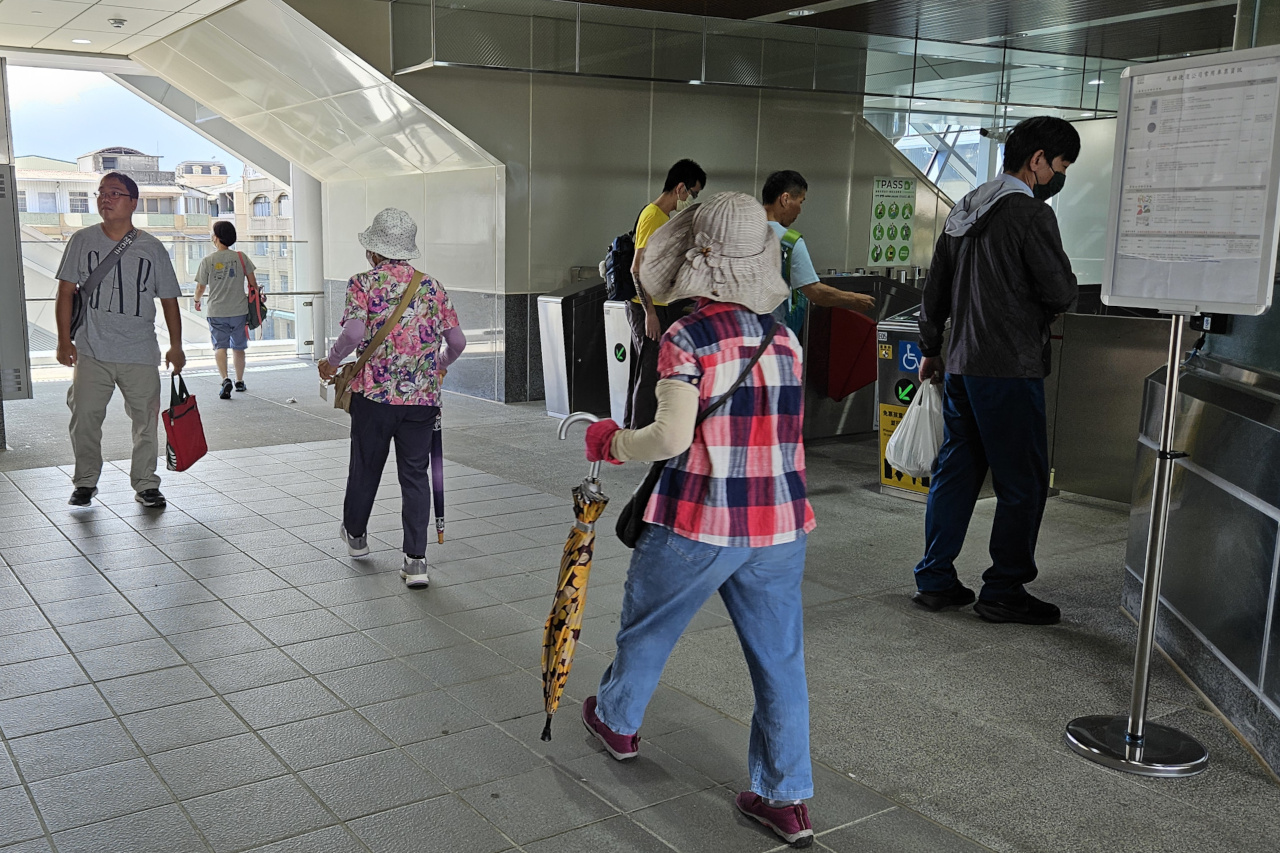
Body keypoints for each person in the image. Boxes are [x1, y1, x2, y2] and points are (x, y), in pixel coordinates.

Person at [581, 192, 819, 848]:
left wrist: (611, 442)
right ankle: (786, 797)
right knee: (779, 662)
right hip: (778, 525)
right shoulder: (784, 338)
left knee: (650, 627)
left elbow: (669, 437)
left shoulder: (690, 337)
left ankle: (618, 720)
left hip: (696, 520)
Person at [911, 116, 1080, 625]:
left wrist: (933, 347)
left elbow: (934, 290)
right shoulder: (1029, 215)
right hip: (1009, 369)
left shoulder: (965, 208)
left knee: (957, 471)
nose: (1059, 175)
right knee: (1023, 481)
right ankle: (1004, 588)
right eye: (1061, 165)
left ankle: (935, 579)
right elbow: (1061, 292)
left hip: (961, 366)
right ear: (1037, 162)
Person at [318, 208, 466, 590]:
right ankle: (416, 561)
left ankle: (356, 538)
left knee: (365, 466)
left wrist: (331, 361)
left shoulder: (362, 283)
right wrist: (439, 365)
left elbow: (352, 334)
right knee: (415, 475)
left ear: (373, 251)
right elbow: (457, 342)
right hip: (422, 400)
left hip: (374, 397)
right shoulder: (432, 287)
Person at [55, 172, 186, 509]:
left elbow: (169, 299)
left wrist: (176, 345)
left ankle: (146, 484)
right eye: (101, 193)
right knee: (83, 416)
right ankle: (85, 481)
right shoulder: (82, 240)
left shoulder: (152, 248)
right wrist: (63, 341)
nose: (105, 198)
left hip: (139, 351)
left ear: (133, 202)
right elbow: (65, 292)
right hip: (91, 350)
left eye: (114, 193)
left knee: (145, 421)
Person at [625, 158, 706, 429]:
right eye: (692, 193)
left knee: (644, 372)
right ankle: (641, 434)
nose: (692, 198)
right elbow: (637, 268)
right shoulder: (652, 216)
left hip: (656, 304)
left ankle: (632, 428)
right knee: (649, 374)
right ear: (680, 188)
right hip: (646, 306)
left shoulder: (664, 219)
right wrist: (650, 313)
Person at [761, 170, 875, 323]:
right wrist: (853, 298)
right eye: (800, 202)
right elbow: (815, 292)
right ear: (785, 199)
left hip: (729, 335)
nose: (800, 210)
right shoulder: (788, 241)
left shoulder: (736, 230)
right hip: (768, 336)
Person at [194, 221, 257, 399]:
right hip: (239, 310)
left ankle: (225, 379)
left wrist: (196, 300)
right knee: (238, 347)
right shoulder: (241, 257)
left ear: (216, 237)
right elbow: (253, 283)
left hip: (216, 311)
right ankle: (239, 381)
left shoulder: (208, 261)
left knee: (220, 346)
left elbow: (200, 287)